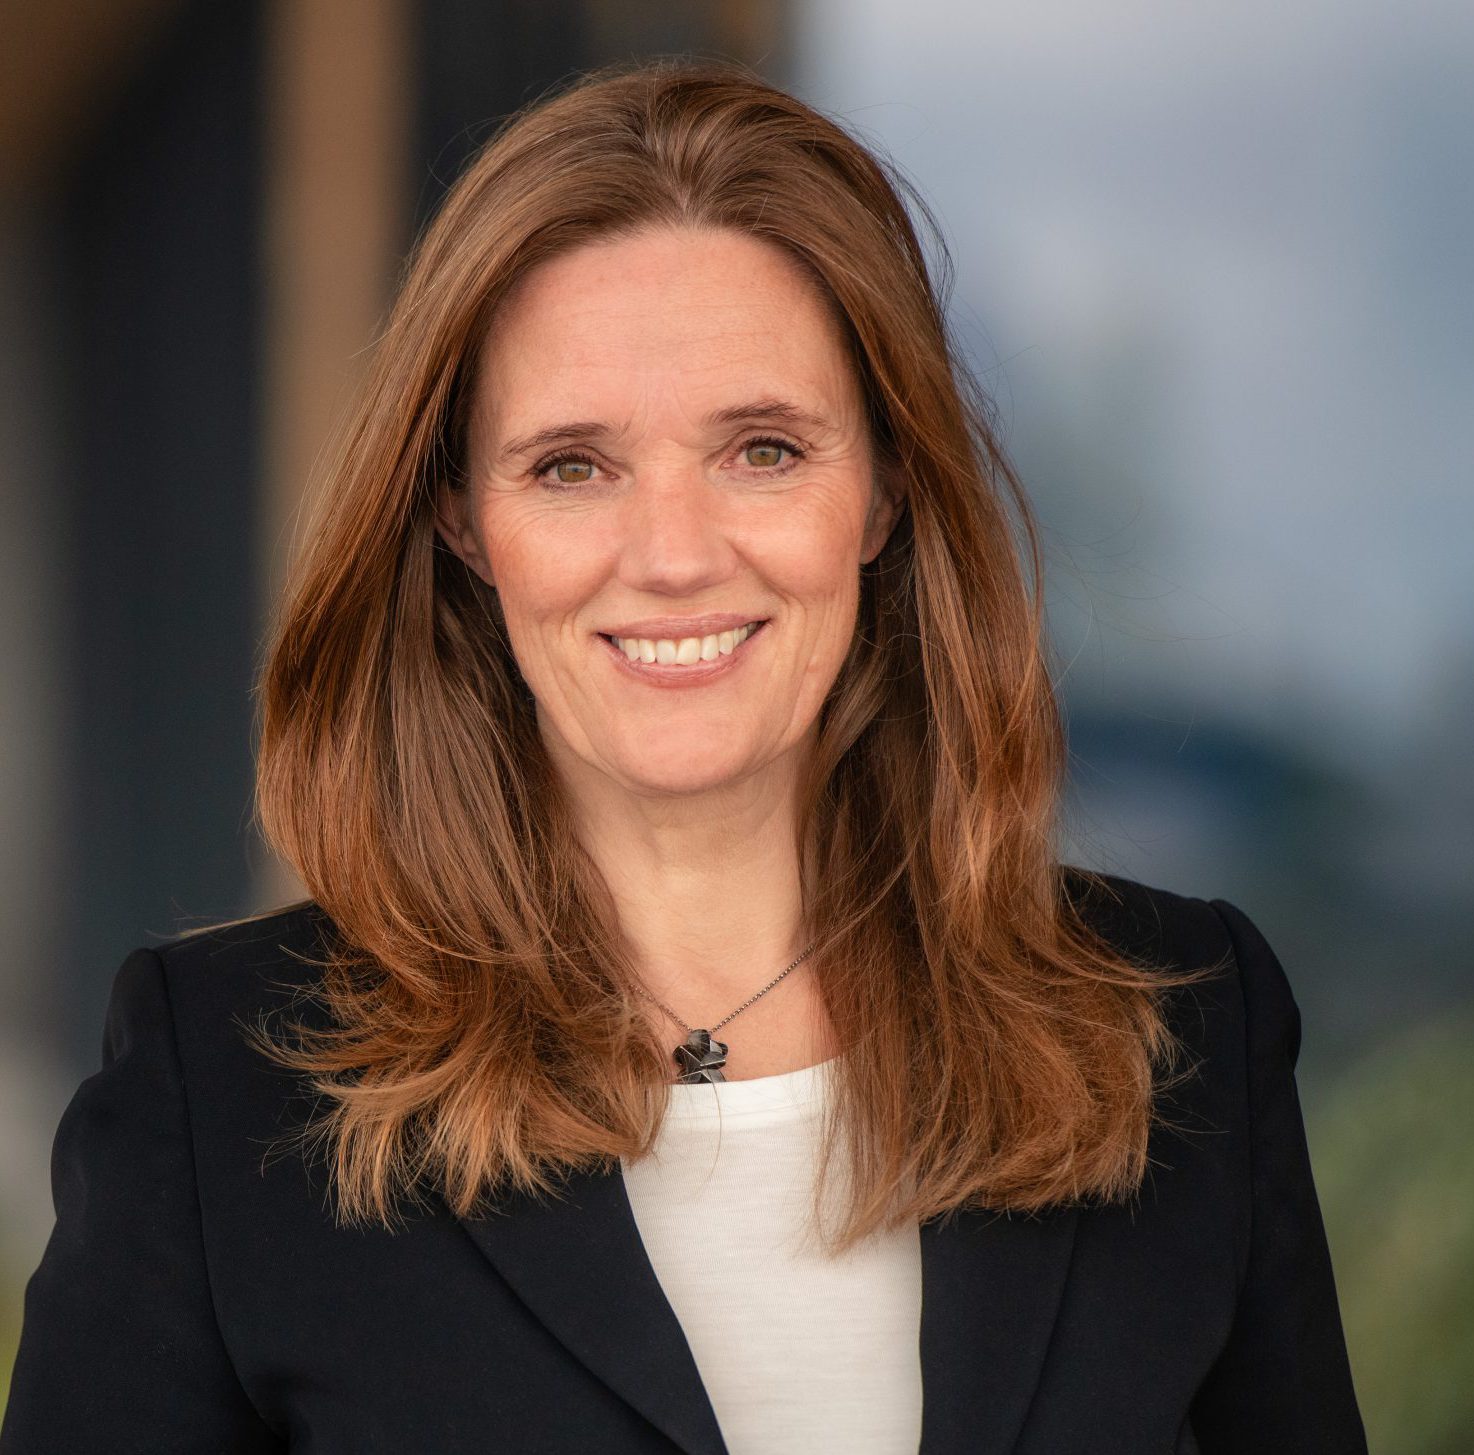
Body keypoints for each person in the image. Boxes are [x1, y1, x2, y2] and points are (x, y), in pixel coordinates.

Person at [1, 58, 1368, 1455]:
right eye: (571, 466)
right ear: (462, 522)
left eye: (762, 450)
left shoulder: (1181, 1035)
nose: (671, 556)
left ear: (885, 488)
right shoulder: (221, 1090)